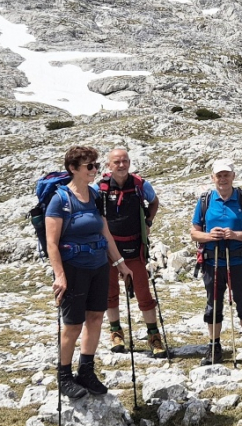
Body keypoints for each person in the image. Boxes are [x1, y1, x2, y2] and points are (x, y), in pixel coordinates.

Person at [46, 146, 132, 399]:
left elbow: (104, 232)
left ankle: (86, 370)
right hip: (73, 269)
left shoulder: (94, 196)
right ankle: (64, 376)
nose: (95, 170)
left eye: (95, 165)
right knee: (73, 324)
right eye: (89, 166)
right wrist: (59, 275)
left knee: (95, 317)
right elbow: (52, 243)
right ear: (73, 169)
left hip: (98, 266)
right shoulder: (60, 200)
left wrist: (120, 263)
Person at [191, 159, 242, 367]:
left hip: (239, 261)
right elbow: (194, 233)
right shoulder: (205, 200)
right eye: (219, 175)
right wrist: (208, 235)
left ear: (233, 176)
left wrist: (236, 234)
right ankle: (214, 347)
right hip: (212, 263)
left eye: (226, 174)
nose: (223, 178)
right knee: (213, 305)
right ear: (213, 178)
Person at [100, 147, 167, 358]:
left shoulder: (140, 185)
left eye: (125, 161)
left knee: (144, 294)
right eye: (117, 162)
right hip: (109, 249)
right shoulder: (100, 188)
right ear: (109, 166)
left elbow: (154, 202)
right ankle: (115, 332)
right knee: (110, 294)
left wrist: (148, 222)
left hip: (135, 247)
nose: (121, 165)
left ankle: (154, 336)